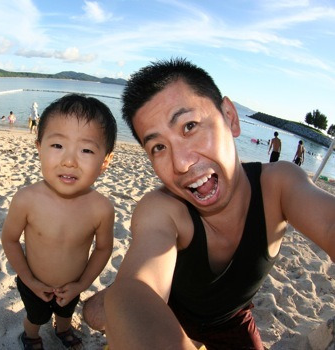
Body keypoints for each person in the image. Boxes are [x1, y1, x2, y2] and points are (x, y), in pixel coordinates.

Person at [82, 58, 335, 349]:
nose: (181, 162)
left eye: (189, 126)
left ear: (230, 116)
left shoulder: (278, 186)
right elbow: (137, 292)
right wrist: (127, 296)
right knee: (102, 310)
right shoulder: (162, 208)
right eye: (159, 147)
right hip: (168, 312)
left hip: (227, 319)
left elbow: (329, 223)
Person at [1, 94, 117, 350]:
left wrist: (81, 284)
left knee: (65, 315)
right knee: (35, 317)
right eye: (57, 146)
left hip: (73, 285)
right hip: (33, 283)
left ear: (105, 161)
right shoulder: (26, 199)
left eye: (86, 150)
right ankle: (30, 336)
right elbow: (9, 240)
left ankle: (62, 330)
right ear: (39, 147)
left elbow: (103, 248)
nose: (69, 160)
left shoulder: (101, 208)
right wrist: (29, 280)